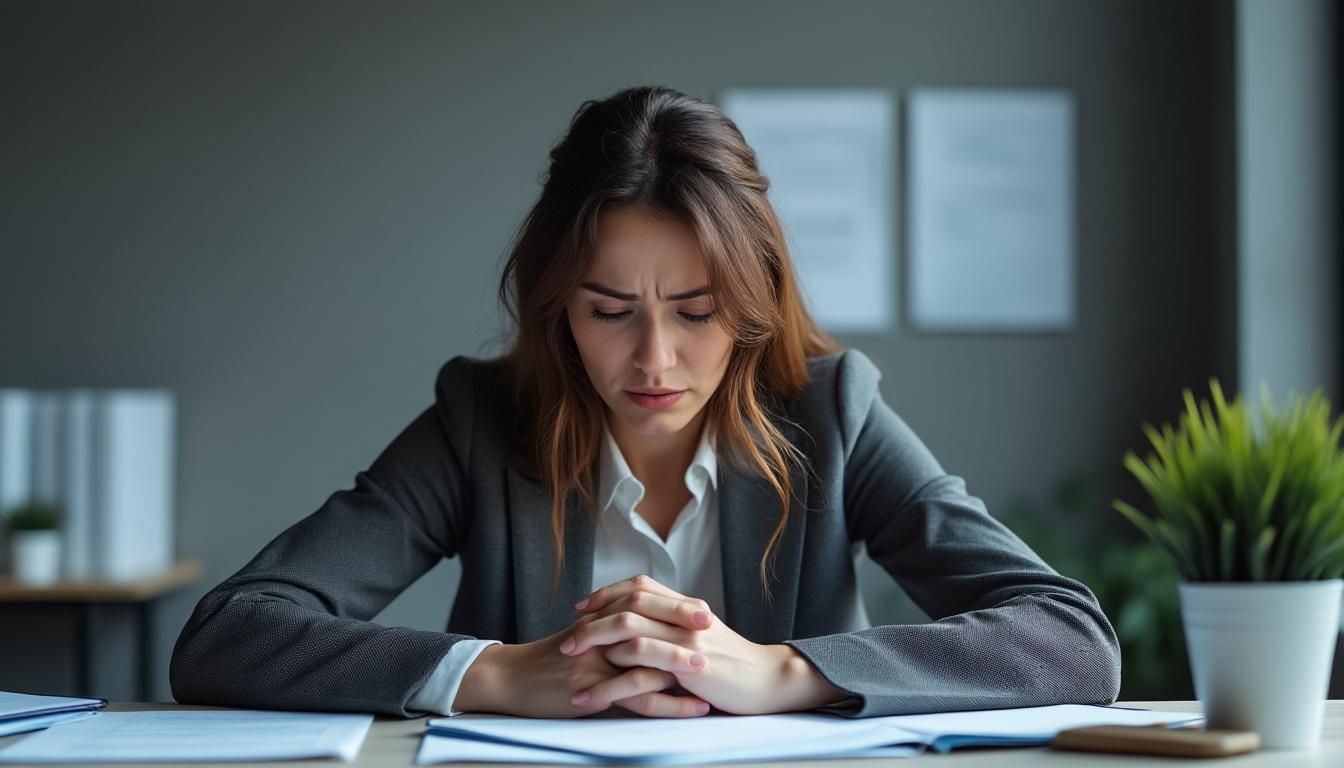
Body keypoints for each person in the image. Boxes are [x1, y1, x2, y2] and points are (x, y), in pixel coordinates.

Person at [169, 85, 1121, 720]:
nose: (654, 358)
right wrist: (496, 674)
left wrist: (786, 673)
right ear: (558, 311)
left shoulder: (831, 413)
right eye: (610, 311)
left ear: (750, 307)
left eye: (698, 312)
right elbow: (228, 634)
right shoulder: (480, 421)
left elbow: (1071, 642)